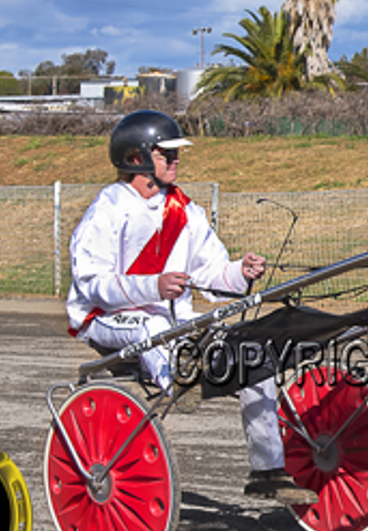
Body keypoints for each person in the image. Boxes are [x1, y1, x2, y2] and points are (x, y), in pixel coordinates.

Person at [65, 109, 314, 505]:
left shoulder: (185, 211)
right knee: (150, 332)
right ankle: (181, 383)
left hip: (171, 324)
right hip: (105, 320)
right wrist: (154, 285)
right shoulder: (107, 210)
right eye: (167, 154)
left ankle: (268, 470)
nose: (177, 161)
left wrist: (240, 272)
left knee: (252, 353)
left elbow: (212, 273)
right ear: (138, 159)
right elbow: (91, 283)